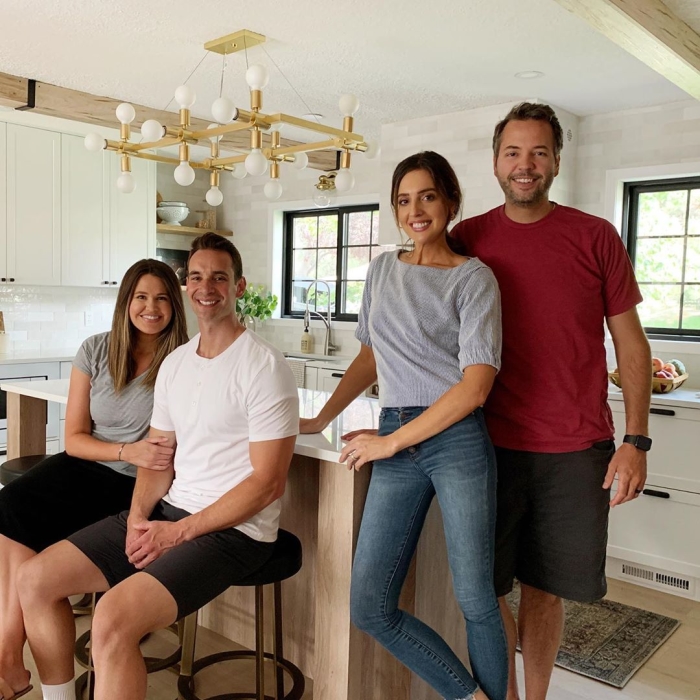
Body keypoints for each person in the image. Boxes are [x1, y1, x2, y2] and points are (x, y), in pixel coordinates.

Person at [17, 233, 299, 700]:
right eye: (196, 277)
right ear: (186, 286)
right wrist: (141, 518)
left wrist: (178, 533)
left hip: (236, 533)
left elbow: (266, 485)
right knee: (35, 579)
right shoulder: (176, 365)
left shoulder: (263, 366)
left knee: (111, 619)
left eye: (219, 277)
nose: (206, 287)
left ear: (240, 287)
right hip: (170, 513)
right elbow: (158, 457)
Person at [451, 103, 652, 700]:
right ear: (494, 162)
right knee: (483, 590)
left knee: (545, 588)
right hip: (485, 447)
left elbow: (631, 344)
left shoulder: (596, 237)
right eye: (513, 152)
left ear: (557, 161)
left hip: (575, 449)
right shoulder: (469, 239)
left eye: (539, 152)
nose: (525, 165)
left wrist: (636, 440)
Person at [301, 152, 508, 700]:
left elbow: (476, 386)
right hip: (395, 436)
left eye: (428, 197)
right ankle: (470, 696)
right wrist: (322, 416)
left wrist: (391, 441)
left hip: (456, 439)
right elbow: (371, 357)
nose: (415, 210)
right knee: (370, 606)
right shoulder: (383, 270)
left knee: (475, 599)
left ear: (451, 203)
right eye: (403, 200)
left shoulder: (474, 279)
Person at [0, 259, 188, 700]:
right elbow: (74, 440)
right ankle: (9, 648)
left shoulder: (184, 361)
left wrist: (139, 458)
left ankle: (8, 656)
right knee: (9, 504)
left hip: (135, 483)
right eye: (141, 296)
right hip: (91, 463)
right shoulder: (96, 350)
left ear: (174, 306)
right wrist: (126, 448)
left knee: (29, 554)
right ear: (126, 301)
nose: (151, 307)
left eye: (161, 297)